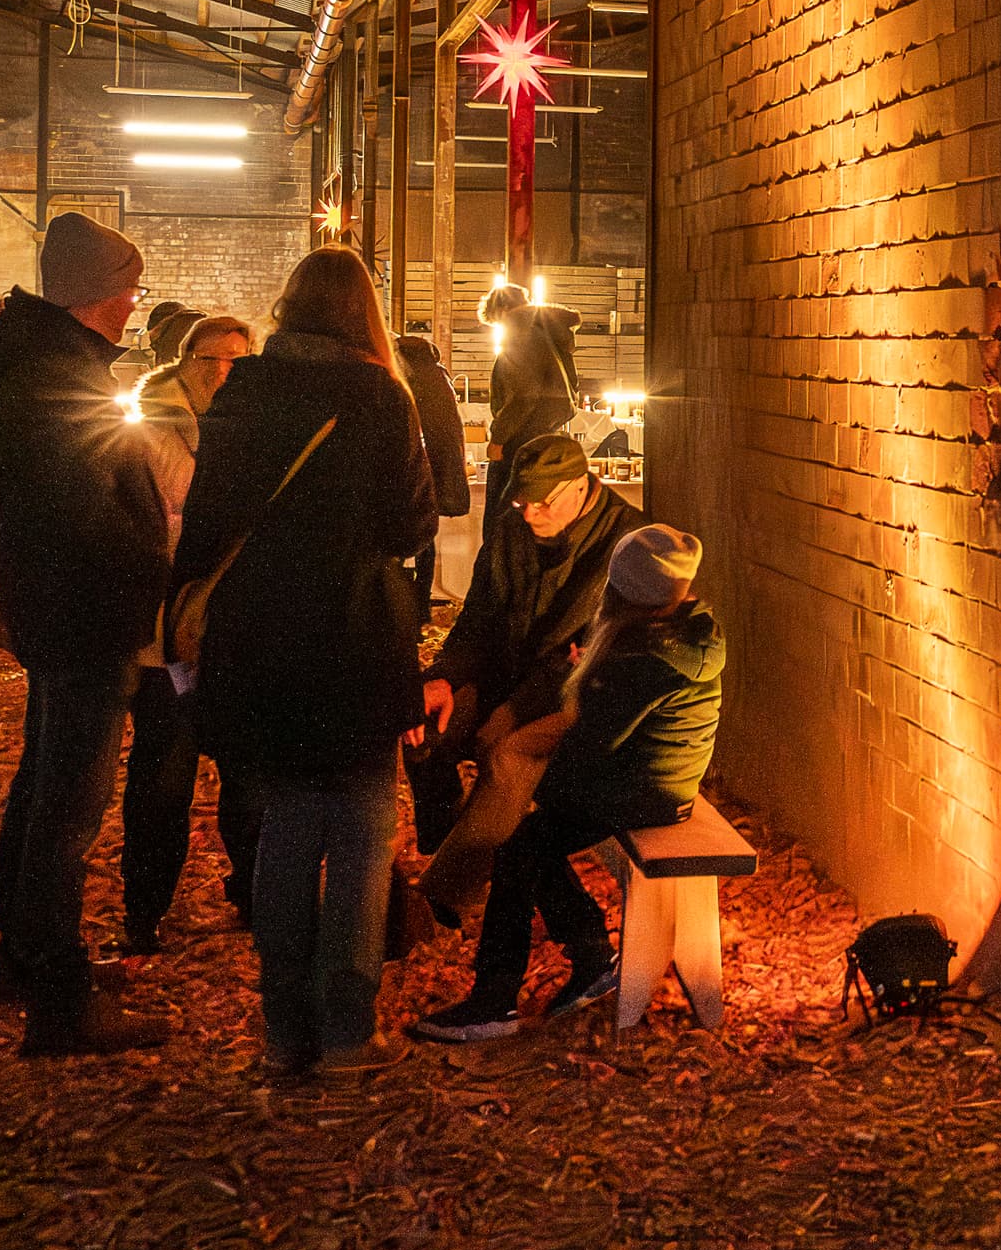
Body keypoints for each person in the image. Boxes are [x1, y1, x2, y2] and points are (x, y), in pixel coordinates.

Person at [171, 248, 435, 1078]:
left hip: (259, 636)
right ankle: (348, 1031)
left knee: (283, 828)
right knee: (360, 829)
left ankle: (284, 1030)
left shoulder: (243, 388)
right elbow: (410, 526)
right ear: (366, 313)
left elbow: (207, 516)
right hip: (355, 637)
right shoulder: (381, 397)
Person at [0, 213, 174, 1057]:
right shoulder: (62, 380)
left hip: (54, 610)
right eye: (129, 289)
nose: (135, 306)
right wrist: (153, 564)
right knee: (72, 805)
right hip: (84, 614)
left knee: (43, 787)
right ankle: (58, 997)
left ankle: (26, 958)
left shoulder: (36, 366)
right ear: (103, 294)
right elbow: (87, 513)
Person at [414, 525, 723, 1043]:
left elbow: (589, 744)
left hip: (647, 790)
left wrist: (534, 776)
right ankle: (590, 955)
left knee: (520, 846)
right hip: (653, 777)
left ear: (630, 594)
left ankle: (494, 1001)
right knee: (528, 841)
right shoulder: (682, 629)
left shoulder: (651, 660)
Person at [407, 433, 628, 851]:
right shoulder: (511, 529)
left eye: (543, 503)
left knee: (501, 751)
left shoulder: (624, 539)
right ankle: (445, 842)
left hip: (565, 693)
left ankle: (455, 884)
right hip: (500, 674)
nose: (529, 515)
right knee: (425, 732)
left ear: (580, 485)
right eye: (520, 502)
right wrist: (442, 678)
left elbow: (598, 655)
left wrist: (514, 709)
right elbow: (478, 618)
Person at [120, 310, 263, 946]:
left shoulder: (253, 428)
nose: (225, 373)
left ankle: (253, 892)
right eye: (211, 361)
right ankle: (145, 908)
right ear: (185, 362)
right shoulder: (147, 427)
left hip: (235, 630)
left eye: (238, 361)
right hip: (166, 631)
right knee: (163, 775)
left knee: (247, 770)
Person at [394, 317, 472, 592]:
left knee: (406, 539)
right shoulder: (438, 377)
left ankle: (408, 599)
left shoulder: (408, 380)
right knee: (425, 538)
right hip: (435, 470)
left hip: (413, 470)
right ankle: (421, 600)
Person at [478, 283, 580, 490]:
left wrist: (499, 438)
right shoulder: (547, 334)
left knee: (508, 510)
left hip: (521, 438)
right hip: (545, 431)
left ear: (502, 310)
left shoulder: (520, 336)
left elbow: (523, 395)